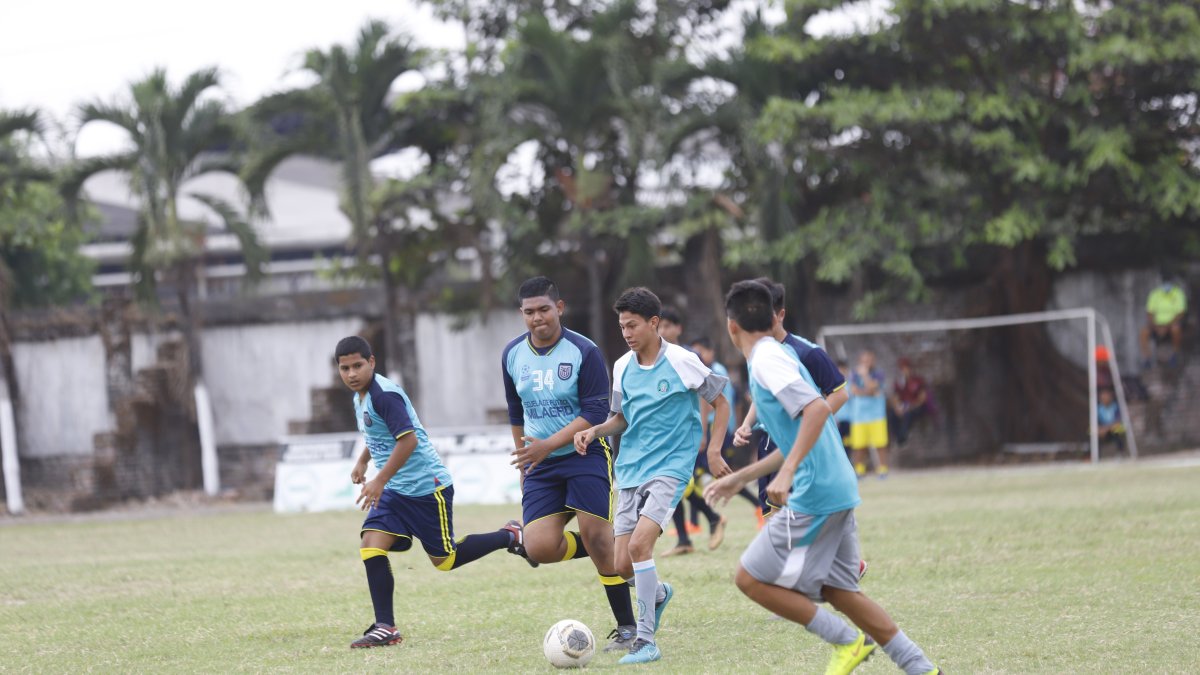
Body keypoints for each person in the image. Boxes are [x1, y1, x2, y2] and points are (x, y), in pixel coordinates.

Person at [706, 281, 941, 675]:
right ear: (772, 315)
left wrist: (788, 471)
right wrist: (741, 478)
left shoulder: (766, 360)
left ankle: (848, 642)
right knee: (841, 591)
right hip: (838, 484)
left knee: (749, 578)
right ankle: (922, 668)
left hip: (816, 490)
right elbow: (799, 433)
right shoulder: (776, 354)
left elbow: (816, 411)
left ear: (731, 326)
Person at [574, 287, 732, 665]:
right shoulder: (622, 366)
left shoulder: (681, 360)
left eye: (632, 325)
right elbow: (621, 417)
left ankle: (646, 642)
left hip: (670, 467)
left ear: (654, 323)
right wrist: (595, 431)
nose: (626, 332)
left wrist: (712, 449)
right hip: (629, 467)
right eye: (622, 326)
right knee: (621, 564)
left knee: (640, 546)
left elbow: (721, 401)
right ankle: (657, 594)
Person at [335, 336, 522, 649]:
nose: (351, 373)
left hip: (426, 488)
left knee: (445, 560)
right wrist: (362, 461)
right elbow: (377, 433)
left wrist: (378, 480)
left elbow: (407, 441)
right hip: (396, 488)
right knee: (371, 543)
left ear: (372, 362)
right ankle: (385, 626)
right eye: (345, 368)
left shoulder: (385, 396)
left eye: (357, 365)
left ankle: (509, 535)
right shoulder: (361, 397)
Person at [501, 276, 638, 652]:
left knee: (596, 536)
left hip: (585, 454)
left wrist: (547, 445)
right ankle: (609, 550)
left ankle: (628, 627)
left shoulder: (584, 351)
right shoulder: (512, 354)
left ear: (559, 308)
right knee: (539, 548)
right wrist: (525, 460)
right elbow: (516, 412)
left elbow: (595, 412)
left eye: (544, 309)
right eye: (529, 312)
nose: (537, 318)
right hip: (541, 465)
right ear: (521, 314)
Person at [732, 278, 849, 516]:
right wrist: (746, 424)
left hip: (799, 446)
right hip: (769, 442)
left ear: (779, 315)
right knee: (777, 521)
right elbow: (762, 397)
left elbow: (838, 395)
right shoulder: (758, 353)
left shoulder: (807, 353)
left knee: (795, 524)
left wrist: (806, 428)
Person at [849, 351, 890, 479]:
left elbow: (873, 388)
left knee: (880, 444)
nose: (866, 363)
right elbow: (855, 391)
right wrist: (868, 391)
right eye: (864, 360)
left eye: (869, 360)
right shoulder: (854, 374)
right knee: (859, 445)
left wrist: (866, 376)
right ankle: (859, 471)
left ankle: (882, 470)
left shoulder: (878, 374)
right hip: (859, 416)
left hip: (877, 415)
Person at [1139, 277, 1187, 369]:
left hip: (1171, 324)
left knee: (1175, 329)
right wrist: (1155, 326)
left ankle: (1174, 355)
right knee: (1144, 332)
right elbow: (1149, 312)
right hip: (1157, 325)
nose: (1166, 286)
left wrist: (1167, 326)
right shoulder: (1155, 294)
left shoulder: (1178, 293)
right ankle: (1147, 359)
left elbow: (1181, 313)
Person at [888, 357, 930, 448]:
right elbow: (895, 397)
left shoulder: (918, 380)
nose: (904, 371)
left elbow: (922, 398)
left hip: (916, 407)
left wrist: (911, 407)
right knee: (892, 415)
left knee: (909, 414)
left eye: (905, 368)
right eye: (901, 369)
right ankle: (898, 437)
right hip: (903, 406)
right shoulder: (899, 382)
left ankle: (903, 436)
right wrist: (897, 408)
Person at [1096, 387, 1126, 454]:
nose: (1104, 398)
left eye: (1106, 396)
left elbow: (1118, 421)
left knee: (1118, 429)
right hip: (1103, 429)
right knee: (1092, 432)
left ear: (1110, 397)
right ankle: (1095, 454)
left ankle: (1120, 452)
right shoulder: (1098, 409)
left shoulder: (1116, 407)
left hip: (1114, 428)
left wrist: (1107, 428)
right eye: (1102, 397)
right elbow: (1097, 422)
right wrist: (1100, 429)